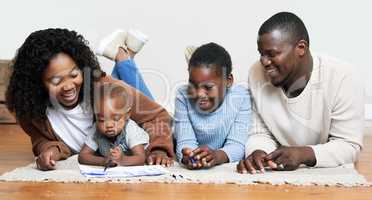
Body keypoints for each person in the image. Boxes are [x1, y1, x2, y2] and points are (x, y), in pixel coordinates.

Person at [6, 28, 174, 171]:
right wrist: (50, 151)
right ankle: (124, 56)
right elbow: (41, 140)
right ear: (37, 82)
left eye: (74, 75)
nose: (68, 86)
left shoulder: (103, 87)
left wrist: (158, 149)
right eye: (56, 81)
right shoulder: (31, 111)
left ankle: (123, 57)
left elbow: (156, 116)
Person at [237, 12, 364, 174]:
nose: (264, 62)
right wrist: (259, 153)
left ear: (301, 48)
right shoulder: (256, 73)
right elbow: (259, 132)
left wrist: (304, 154)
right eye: (261, 53)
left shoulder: (343, 77)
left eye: (272, 54)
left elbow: (349, 145)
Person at [174, 42, 251, 169]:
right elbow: (185, 142)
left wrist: (216, 156)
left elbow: (237, 146)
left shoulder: (241, 97)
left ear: (228, 81)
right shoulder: (182, 95)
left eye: (208, 87)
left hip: (220, 157)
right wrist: (190, 156)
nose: (199, 94)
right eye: (193, 85)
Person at [78, 82, 148, 166]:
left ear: (127, 115)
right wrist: (103, 161)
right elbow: (82, 156)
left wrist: (122, 160)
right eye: (101, 120)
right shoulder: (96, 129)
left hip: (142, 151)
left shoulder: (131, 129)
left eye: (116, 119)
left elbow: (140, 158)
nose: (109, 125)